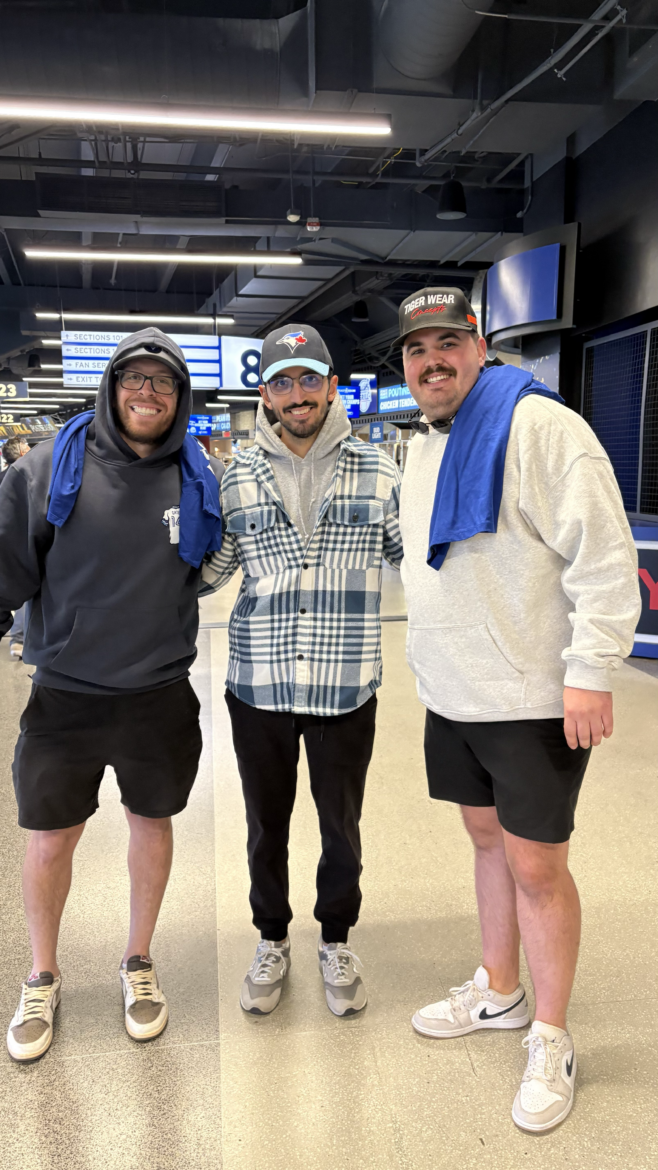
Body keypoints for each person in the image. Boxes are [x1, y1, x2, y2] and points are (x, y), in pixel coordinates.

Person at [396, 288, 640, 1132]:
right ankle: (500, 990)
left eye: (447, 342)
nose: (432, 360)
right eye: (415, 348)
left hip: (532, 700)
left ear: (479, 345)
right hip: (455, 694)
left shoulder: (543, 428)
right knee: (485, 840)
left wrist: (592, 669)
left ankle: (551, 1033)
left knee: (538, 867)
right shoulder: (420, 449)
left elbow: (604, 556)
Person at [0, 328, 223, 1062]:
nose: (148, 393)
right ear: (112, 387)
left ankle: (138, 959)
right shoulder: (45, 468)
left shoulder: (197, 475)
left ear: (179, 397)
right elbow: (8, 569)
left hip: (157, 692)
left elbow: (206, 569)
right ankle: (41, 973)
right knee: (49, 837)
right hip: (65, 691)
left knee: (151, 825)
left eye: (164, 382)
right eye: (135, 378)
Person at [202, 324, 402, 1017]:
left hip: (347, 683)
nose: (297, 394)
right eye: (282, 382)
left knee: (340, 823)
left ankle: (337, 936)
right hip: (259, 683)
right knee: (266, 823)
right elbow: (212, 571)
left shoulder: (379, 471)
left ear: (330, 386)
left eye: (308, 379)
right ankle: (271, 935)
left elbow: (421, 562)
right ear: (265, 394)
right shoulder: (237, 476)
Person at [1, 438, 31, 659]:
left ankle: (18, 639)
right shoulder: (29, 478)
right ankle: (19, 638)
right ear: (21, 452)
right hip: (20, 542)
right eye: (27, 446)